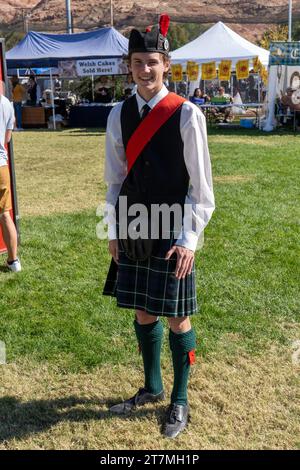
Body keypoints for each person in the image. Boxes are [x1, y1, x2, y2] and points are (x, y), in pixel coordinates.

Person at [103, 15, 215, 438]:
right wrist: (114, 229)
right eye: (137, 62)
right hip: (133, 225)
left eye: (152, 61)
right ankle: (151, 388)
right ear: (129, 66)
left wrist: (189, 239)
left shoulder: (187, 114)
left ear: (166, 64)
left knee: (178, 317)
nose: (144, 70)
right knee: (144, 311)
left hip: (172, 230)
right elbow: (115, 180)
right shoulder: (119, 114)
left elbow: (202, 189)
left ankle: (180, 400)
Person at [0, 82, 21, 272]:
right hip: (1, 164)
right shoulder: (7, 104)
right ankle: (14, 261)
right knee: (5, 213)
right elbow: (7, 138)